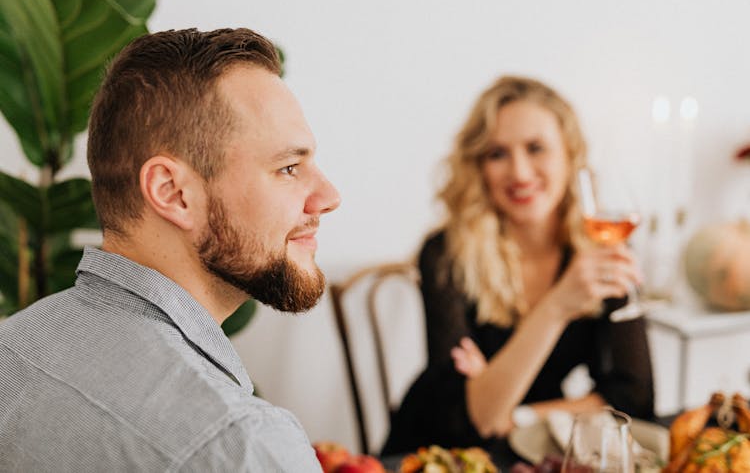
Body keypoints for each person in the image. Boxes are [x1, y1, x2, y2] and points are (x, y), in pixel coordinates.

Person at [0, 28, 340, 471]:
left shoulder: (12, 348)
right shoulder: (240, 446)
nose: (329, 196)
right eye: (288, 168)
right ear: (173, 193)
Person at [383, 75, 653, 454]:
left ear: (570, 155)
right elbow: (477, 419)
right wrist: (559, 305)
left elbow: (634, 398)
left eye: (536, 148)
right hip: (439, 450)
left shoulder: (602, 248)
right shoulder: (445, 253)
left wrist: (516, 408)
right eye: (497, 154)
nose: (520, 172)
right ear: (478, 166)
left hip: (534, 448)